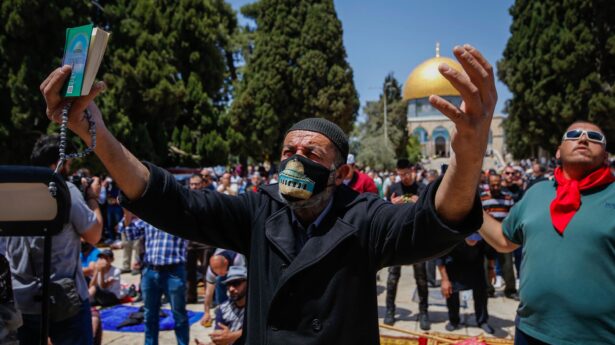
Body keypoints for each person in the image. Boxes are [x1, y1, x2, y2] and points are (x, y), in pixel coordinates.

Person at [40, 44, 496, 344]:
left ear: (342, 173)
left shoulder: (364, 217)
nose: (295, 160)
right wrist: (94, 134)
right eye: (287, 151)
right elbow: (171, 201)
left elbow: (434, 223)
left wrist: (468, 156)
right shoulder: (259, 211)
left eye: (311, 153)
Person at [479, 121, 614, 344]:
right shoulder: (536, 193)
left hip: (598, 338)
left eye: (594, 136)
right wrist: (469, 208)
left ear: (605, 155)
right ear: (558, 151)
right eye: (574, 134)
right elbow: (504, 240)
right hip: (531, 332)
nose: (583, 139)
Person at [5, 135, 103, 345]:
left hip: (20, 301)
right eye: (68, 164)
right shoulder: (66, 190)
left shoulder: (10, 194)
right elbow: (94, 235)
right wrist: (93, 197)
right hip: (65, 300)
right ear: (55, 165)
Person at [121, 218, 189, 345]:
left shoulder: (180, 214)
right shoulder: (149, 216)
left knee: (179, 315)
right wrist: (127, 214)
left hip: (173, 271)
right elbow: (130, 234)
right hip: (150, 271)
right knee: (149, 315)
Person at [383, 159, 430, 330]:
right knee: (392, 278)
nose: (404, 178)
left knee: (422, 279)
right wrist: (391, 205)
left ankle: (424, 312)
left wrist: (421, 202)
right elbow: (385, 213)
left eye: (406, 174)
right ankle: (390, 310)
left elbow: (429, 213)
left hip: (417, 240)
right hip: (397, 239)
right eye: (400, 175)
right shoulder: (394, 189)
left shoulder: (422, 188)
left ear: (413, 171)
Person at [437, 233, 495, 334]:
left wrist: (491, 270)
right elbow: (440, 259)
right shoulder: (451, 237)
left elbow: (490, 254)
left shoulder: (484, 237)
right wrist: (444, 280)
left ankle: (482, 321)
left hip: (476, 267)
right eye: (470, 238)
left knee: (481, 293)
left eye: (476, 239)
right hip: (454, 267)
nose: (473, 241)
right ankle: (454, 320)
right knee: (451, 293)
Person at [480, 174, 517, 300]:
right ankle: (487, 289)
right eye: (493, 185)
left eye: (497, 184)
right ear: (488, 184)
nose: (495, 187)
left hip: (503, 236)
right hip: (487, 238)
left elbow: (512, 216)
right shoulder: (482, 198)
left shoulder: (508, 198)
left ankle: (510, 290)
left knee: (507, 265)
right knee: (485, 265)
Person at [196, 266, 248, 345]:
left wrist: (233, 335)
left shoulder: (259, 306)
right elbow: (220, 340)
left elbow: (260, 330)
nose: (231, 289)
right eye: (229, 284)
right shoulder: (223, 309)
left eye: (236, 283)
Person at [186, 174, 215, 304]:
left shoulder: (209, 197)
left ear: (202, 184)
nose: (193, 186)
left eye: (196, 184)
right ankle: (191, 297)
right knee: (189, 271)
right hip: (189, 241)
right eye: (191, 184)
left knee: (206, 271)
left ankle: (209, 299)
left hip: (205, 241)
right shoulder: (185, 198)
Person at [201, 249, 246, 327]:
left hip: (239, 266)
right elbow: (208, 293)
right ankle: (223, 309)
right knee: (219, 281)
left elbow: (244, 281)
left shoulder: (237, 259)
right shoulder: (211, 270)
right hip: (225, 269)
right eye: (217, 272)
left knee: (238, 289)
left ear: (226, 263)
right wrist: (206, 313)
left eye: (221, 272)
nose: (220, 274)